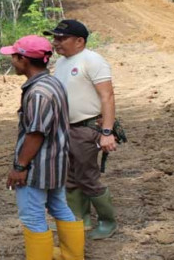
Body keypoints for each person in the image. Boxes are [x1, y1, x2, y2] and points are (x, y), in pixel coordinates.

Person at [0, 35, 84, 260]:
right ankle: (72, 255)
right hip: (56, 162)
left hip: (37, 166)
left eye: (14, 57)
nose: (12, 61)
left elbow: (35, 133)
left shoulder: (38, 93)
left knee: (32, 217)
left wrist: (19, 166)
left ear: (24, 59)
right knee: (59, 206)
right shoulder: (53, 83)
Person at [44, 19, 119, 240]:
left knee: (87, 176)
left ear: (79, 41)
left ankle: (107, 221)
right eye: (55, 38)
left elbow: (108, 96)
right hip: (65, 129)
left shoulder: (92, 60)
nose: (56, 42)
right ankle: (79, 218)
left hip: (86, 128)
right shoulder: (62, 63)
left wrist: (107, 132)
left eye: (61, 38)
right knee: (69, 177)